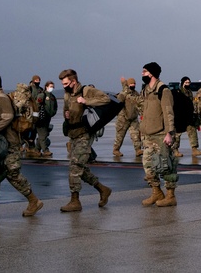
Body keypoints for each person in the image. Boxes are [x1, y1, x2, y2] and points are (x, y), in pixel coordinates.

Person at [0, 72, 43, 220]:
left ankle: (34, 201)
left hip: (8, 144)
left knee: (13, 174)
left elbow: (7, 116)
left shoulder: (0, 98)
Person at [59, 68, 113, 212]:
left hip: (84, 134)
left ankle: (75, 201)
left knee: (75, 167)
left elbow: (105, 99)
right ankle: (103, 189)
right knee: (80, 169)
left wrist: (86, 101)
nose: (64, 86)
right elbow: (67, 111)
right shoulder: (67, 95)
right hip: (73, 134)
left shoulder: (86, 90)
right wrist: (66, 115)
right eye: (62, 84)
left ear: (74, 81)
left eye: (66, 83)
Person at [140, 62, 178, 207]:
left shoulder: (163, 90)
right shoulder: (145, 90)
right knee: (148, 166)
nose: (142, 74)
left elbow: (168, 113)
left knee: (166, 165)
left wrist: (169, 133)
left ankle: (170, 196)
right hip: (148, 134)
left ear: (152, 73)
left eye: (144, 72)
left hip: (161, 134)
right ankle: (156, 192)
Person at [113, 77, 142, 158]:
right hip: (123, 118)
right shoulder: (123, 93)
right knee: (120, 136)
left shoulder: (136, 94)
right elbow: (118, 102)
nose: (133, 85)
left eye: (134, 83)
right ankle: (116, 150)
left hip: (133, 118)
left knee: (135, 135)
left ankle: (138, 150)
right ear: (128, 84)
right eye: (131, 84)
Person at [171, 77, 199, 158]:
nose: (187, 84)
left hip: (188, 115)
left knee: (192, 131)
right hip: (180, 115)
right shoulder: (179, 92)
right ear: (182, 83)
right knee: (177, 134)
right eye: (186, 82)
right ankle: (175, 150)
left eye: (188, 82)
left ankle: (194, 148)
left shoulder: (189, 92)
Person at [33, 79, 56, 157]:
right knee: (43, 135)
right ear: (46, 87)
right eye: (50, 86)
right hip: (41, 118)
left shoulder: (52, 97)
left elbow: (55, 106)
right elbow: (37, 105)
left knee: (43, 134)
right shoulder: (42, 95)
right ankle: (45, 150)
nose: (51, 88)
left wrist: (53, 113)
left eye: (52, 86)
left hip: (48, 118)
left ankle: (36, 150)